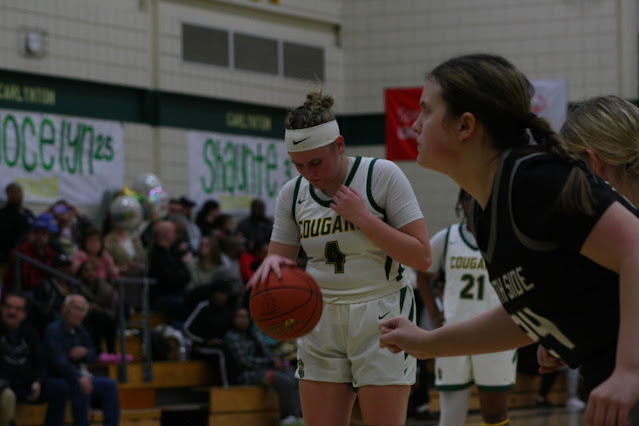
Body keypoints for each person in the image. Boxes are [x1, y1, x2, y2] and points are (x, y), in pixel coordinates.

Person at [378, 53, 639, 426]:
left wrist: (630, 369)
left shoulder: (533, 179)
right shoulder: (488, 209)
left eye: (427, 111)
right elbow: (524, 314)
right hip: (604, 377)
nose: (415, 124)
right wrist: (426, 342)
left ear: (465, 125)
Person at [248, 90, 431, 425]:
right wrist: (269, 274)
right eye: (298, 165)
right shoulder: (292, 194)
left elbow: (422, 257)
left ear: (340, 145)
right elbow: (279, 265)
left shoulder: (382, 175)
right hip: (319, 315)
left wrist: (363, 218)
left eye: (316, 162)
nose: (308, 173)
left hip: (381, 312)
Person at [418, 188, 516, 426]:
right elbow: (423, 274)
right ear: (462, 203)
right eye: (468, 197)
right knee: (451, 417)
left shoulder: (506, 238)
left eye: (478, 196)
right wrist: (434, 312)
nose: (474, 203)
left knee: (494, 415)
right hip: (455, 335)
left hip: (495, 337)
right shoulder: (447, 237)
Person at [44, 294, 120, 426]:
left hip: (79, 377)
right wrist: (78, 377)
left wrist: (85, 352)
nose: (79, 313)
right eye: (76, 308)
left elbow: (93, 354)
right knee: (81, 386)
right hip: (59, 378)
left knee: (110, 385)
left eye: (82, 310)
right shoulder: (54, 330)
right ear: (65, 308)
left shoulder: (81, 331)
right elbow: (59, 362)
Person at [0, 292, 69, 426]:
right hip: (4, 386)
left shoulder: (30, 333)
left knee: (60, 387)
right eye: (8, 307)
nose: (12, 312)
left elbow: (40, 363)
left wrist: (38, 381)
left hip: (26, 385)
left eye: (17, 309)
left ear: (24, 314)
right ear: (2, 309)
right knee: (6, 396)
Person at [223, 307, 302, 424]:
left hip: (265, 369)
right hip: (247, 374)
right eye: (240, 317)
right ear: (233, 319)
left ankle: (298, 415)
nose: (243, 320)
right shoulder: (232, 337)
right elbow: (245, 361)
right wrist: (270, 362)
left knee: (296, 377)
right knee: (285, 382)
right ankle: (287, 417)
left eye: (246, 317)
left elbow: (268, 352)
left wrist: (279, 361)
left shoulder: (253, 334)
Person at [3, 213, 60, 295]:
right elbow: (28, 283)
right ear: (29, 234)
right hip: (17, 295)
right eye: (36, 232)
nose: (40, 237)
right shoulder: (21, 253)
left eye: (44, 233)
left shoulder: (49, 252)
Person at [75, 260, 118, 357]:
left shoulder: (106, 288)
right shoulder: (77, 287)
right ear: (81, 273)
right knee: (97, 317)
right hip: (83, 318)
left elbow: (112, 310)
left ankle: (111, 351)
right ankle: (97, 351)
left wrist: (101, 311)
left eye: (93, 270)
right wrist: (88, 308)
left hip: (103, 318)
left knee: (104, 318)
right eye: (86, 270)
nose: (90, 273)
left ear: (97, 272)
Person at [0, 182, 35, 266]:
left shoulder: (27, 213)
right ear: (8, 195)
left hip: (31, 254)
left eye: (19, 191)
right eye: (13, 192)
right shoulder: (3, 214)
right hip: (14, 257)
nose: (17, 195)